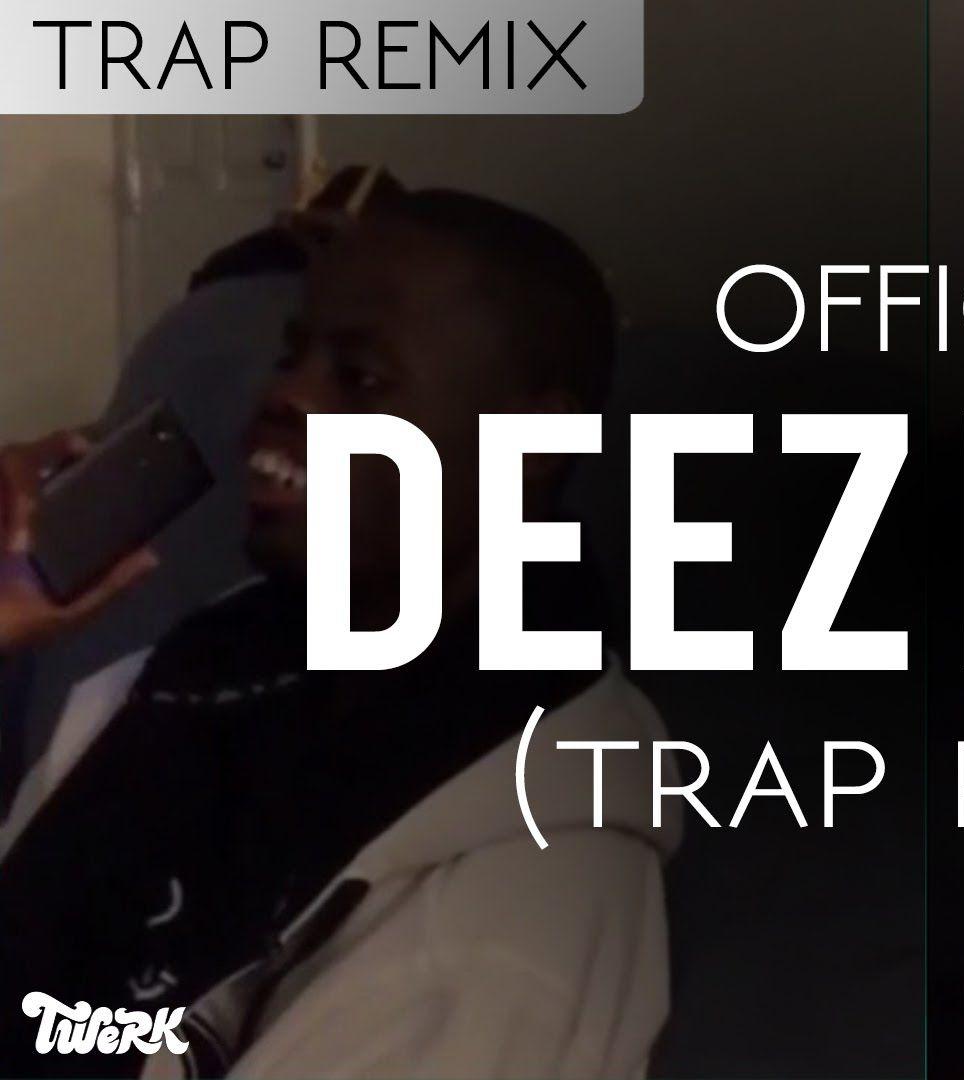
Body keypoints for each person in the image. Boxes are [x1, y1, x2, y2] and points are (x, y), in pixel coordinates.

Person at [0, 183, 677, 1077]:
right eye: (293, 355)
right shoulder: (200, 669)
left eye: (359, 379)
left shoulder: (508, 915)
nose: (284, 393)